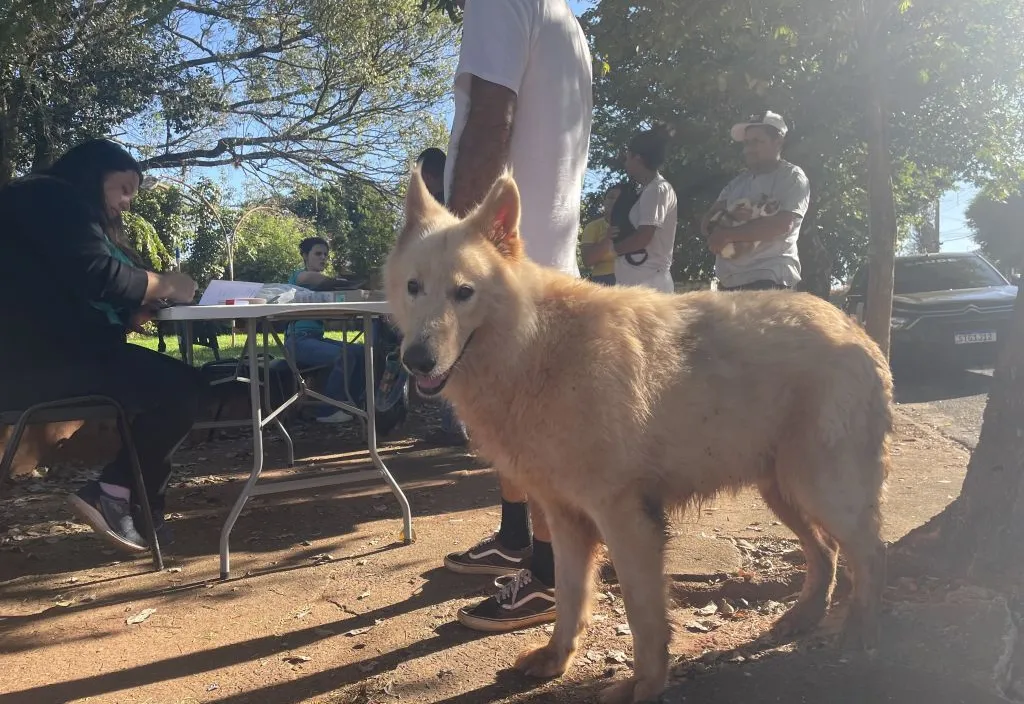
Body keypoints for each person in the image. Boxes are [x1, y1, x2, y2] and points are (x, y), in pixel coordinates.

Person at [440, 0, 593, 633]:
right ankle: (517, 541)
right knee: (508, 425)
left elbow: (490, 123)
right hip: (540, 260)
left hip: (504, 273)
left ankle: (552, 577)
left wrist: (450, 247)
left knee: (527, 432)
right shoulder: (566, 21)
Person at [0, 138, 204, 554]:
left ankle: (140, 512)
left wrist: (129, 318)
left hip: (37, 360)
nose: (127, 203)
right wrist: (169, 283)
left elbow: (57, 296)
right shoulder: (49, 195)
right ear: (92, 174)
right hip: (34, 368)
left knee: (165, 386)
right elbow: (101, 275)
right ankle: (114, 495)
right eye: (124, 188)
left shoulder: (34, 207)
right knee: (183, 389)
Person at [700, 110, 810, 291]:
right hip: (729, 282)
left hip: (769, 279)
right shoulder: (737, 183)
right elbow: (707, 223)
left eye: (757, 142)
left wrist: (728, 233)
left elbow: (781, 225)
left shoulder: (792, 177)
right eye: (747, 143)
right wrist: (722, 221)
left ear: (778, 142)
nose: (749, 149)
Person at [285, 237, 367, 424]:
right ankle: (326, 411)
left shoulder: (323, 287)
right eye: (318, 254)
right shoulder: (300, 276)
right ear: (305, 256)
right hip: (297, 342)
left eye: (325, 255)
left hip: (315, 338)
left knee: (361, 351)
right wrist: (351, 284)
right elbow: (320, 280)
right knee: (344, 355)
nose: (323, 258)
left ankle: (350, 404)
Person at [594, 124, 678, 292]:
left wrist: (614, 249)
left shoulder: (657, 188)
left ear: (637, 158)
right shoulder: (646, 190)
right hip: (636, 281)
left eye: (627, 158)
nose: (625, 163)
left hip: (650, 283)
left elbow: (644, 236)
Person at [579, 184, 621, 285]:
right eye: (610, 197)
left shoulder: (635, 225)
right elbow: (587, 261)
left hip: (631, 276)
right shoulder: (593, 227)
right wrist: (607, 240)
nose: (614, 202)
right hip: (602, 280)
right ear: (604, 201)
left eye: (619, 199)